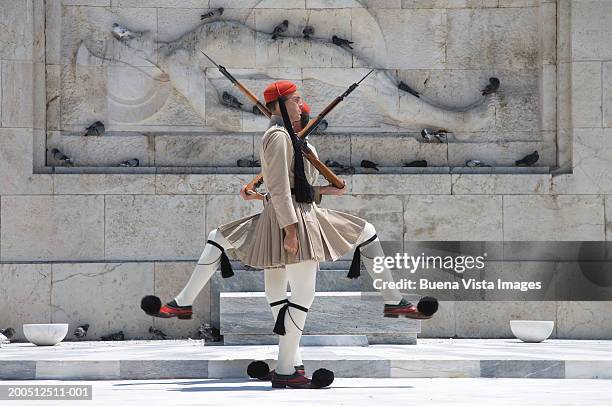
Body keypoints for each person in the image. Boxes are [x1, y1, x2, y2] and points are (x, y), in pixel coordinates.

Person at [141, 80, 435, 389]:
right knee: (300, 292)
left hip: (294, 212)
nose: (301, 105)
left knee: (272, 275)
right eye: (296, 100)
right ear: (282, 104)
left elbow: (294, 186)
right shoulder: (279, 137)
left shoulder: (288, 140)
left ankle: (289, 360)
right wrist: (291, 229)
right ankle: (286, 367)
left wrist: (312, 191)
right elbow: (280, 189)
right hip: (294, 219)